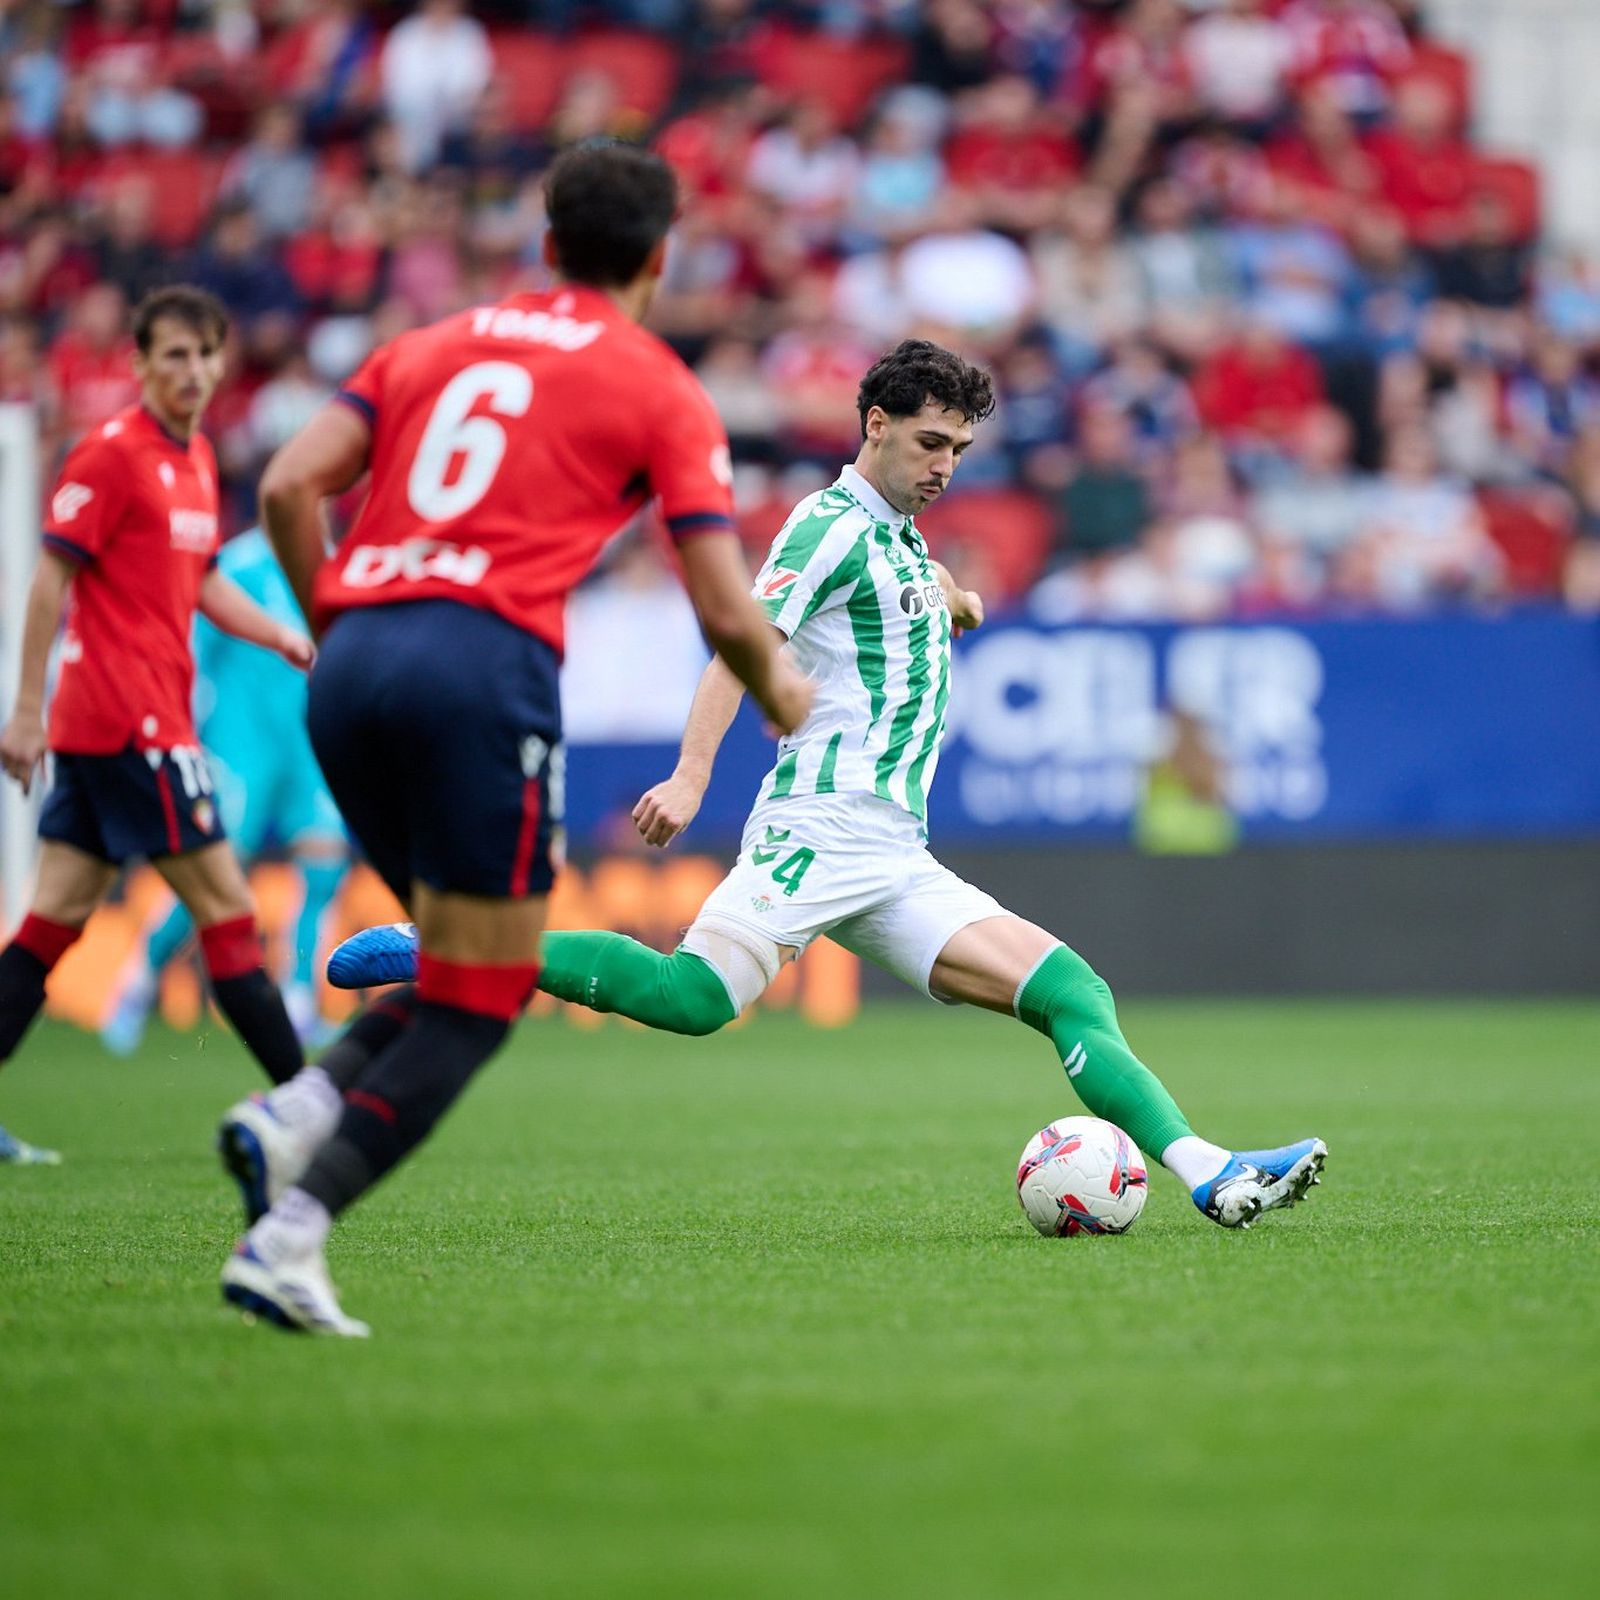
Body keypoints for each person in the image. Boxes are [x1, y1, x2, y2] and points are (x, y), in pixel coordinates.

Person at [328, 339, 1327, 1243]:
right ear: (875, 425)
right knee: (692, 998)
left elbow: (908, 594)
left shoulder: (897, 540)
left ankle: (1211, 1174)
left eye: (960, 450)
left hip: (891, 851)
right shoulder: (828, 528)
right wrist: (689, 771)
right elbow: (739, 640)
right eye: (929, 441)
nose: (943, 466)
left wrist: (956, 602)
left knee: (1071, 991)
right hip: (820, 825)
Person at [217, 142, 811, 1337]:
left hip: (351, 665)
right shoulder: (658, 386)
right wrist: (782, 693)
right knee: (484, 992)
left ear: (544, 246)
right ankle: (291, 1230)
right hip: (478, 668)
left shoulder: (428, 345)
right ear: (658, 258)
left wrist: (338, 619)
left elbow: (285, 487)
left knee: (459, 953)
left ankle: (302, 1107)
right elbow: (720, 600)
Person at [0, 286, 314, 1166]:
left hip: (129, 726)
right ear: (139, 364)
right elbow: (47, 582)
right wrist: (25, 711)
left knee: (52, 920)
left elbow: (202, 581)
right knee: (229, 911)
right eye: (173, 354)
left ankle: (305, 1103)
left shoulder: (198, 459)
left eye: (206, 354)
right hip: (130, 723)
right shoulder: (110, 456)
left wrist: (280, 633)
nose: (193, 371)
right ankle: (310, 1106)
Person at [101, 527, 351, 1057]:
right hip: (240, 747)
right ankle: (139, 980)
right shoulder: (237, 566)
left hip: (308, 745)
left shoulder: (330, 562)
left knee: (324, 867)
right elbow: (193, 656)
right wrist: (187, 733)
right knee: (212, 873)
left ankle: (301, 1000)